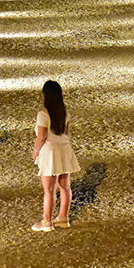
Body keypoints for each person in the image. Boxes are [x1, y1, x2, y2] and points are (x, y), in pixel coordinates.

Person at [31, 80, 80, 231]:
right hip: (64, 149)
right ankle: (63, 217)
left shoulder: (43, 114)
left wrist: (35, 151)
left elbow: (42, 136)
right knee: (65, 187)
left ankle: (47, 222)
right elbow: (66, 133)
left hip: (50, 151)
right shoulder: (64, 112)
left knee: (49, 190)